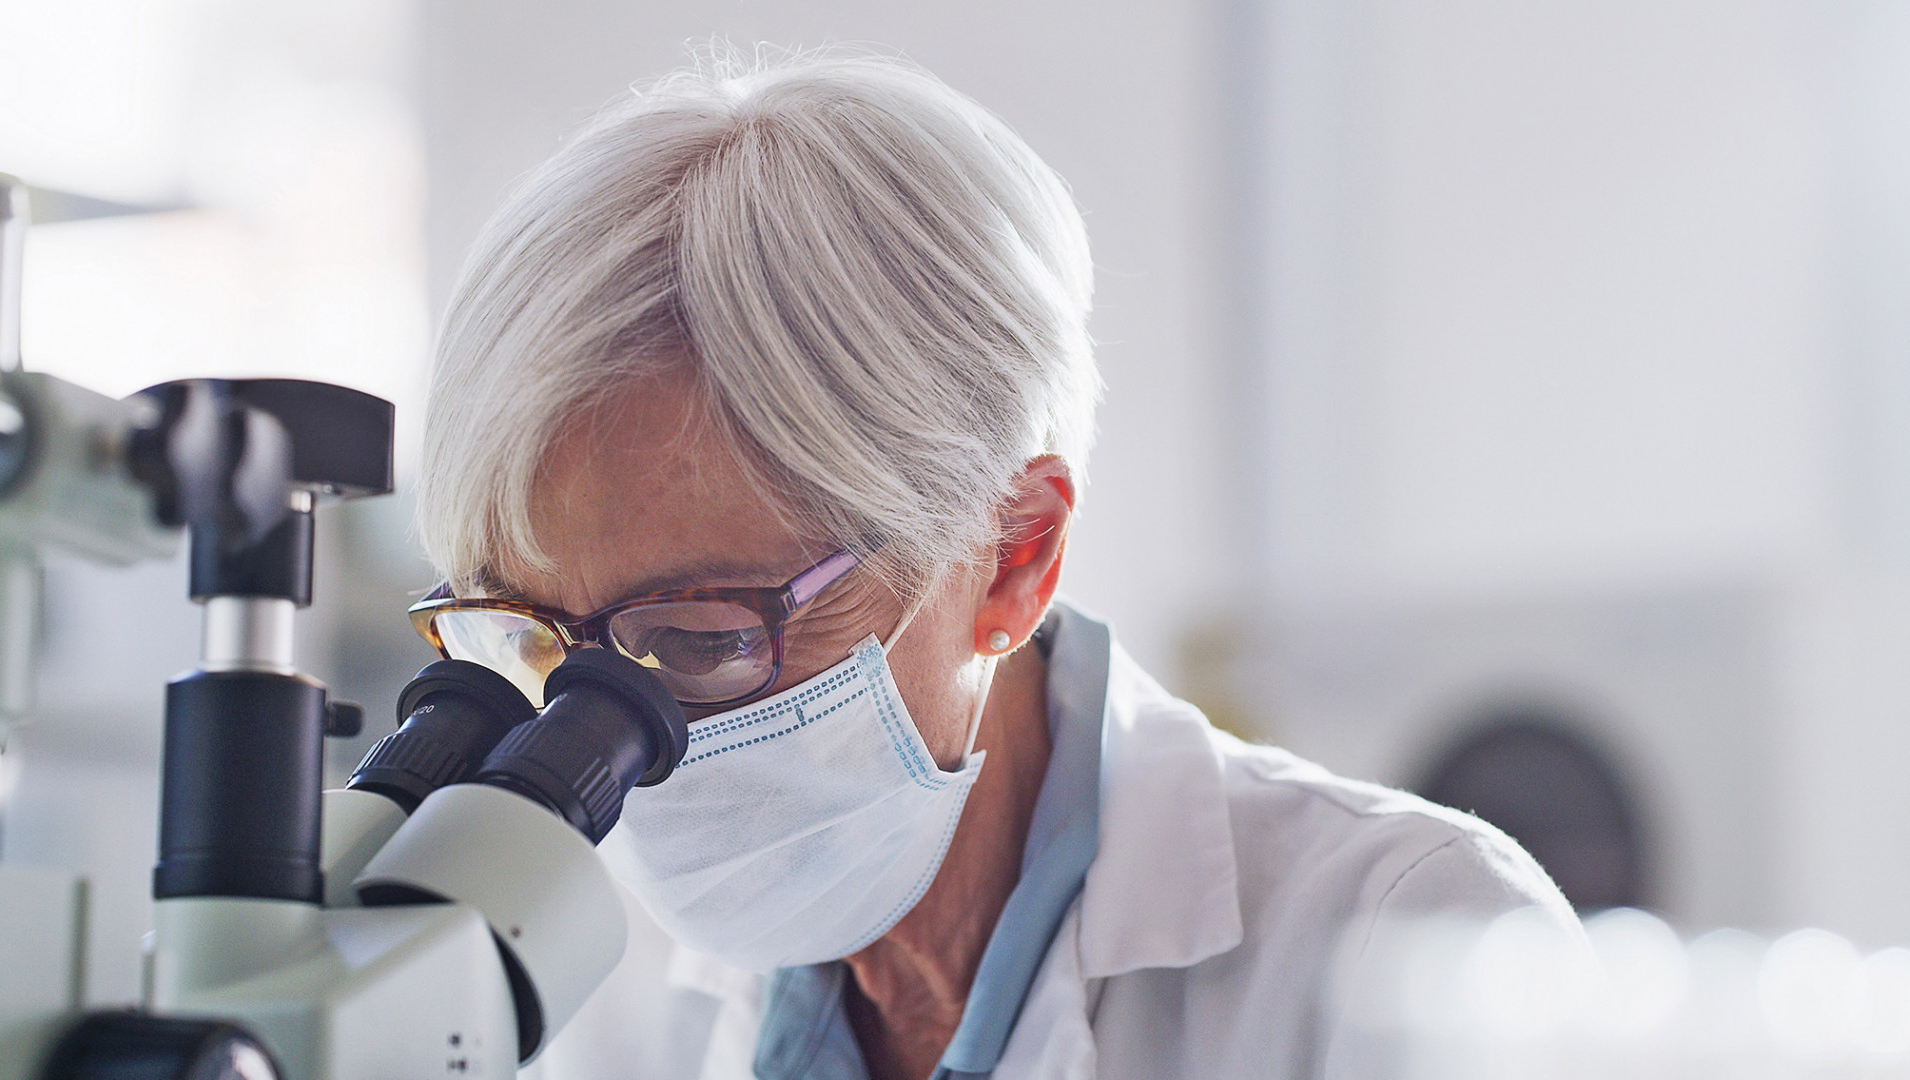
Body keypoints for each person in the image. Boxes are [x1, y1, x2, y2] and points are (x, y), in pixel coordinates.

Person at [411, 47, 1576, 1080]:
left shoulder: (1412, 948)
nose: (611, 746)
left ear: (1013, 554)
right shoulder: (579, 992)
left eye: (699, 640)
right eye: (533, 645)